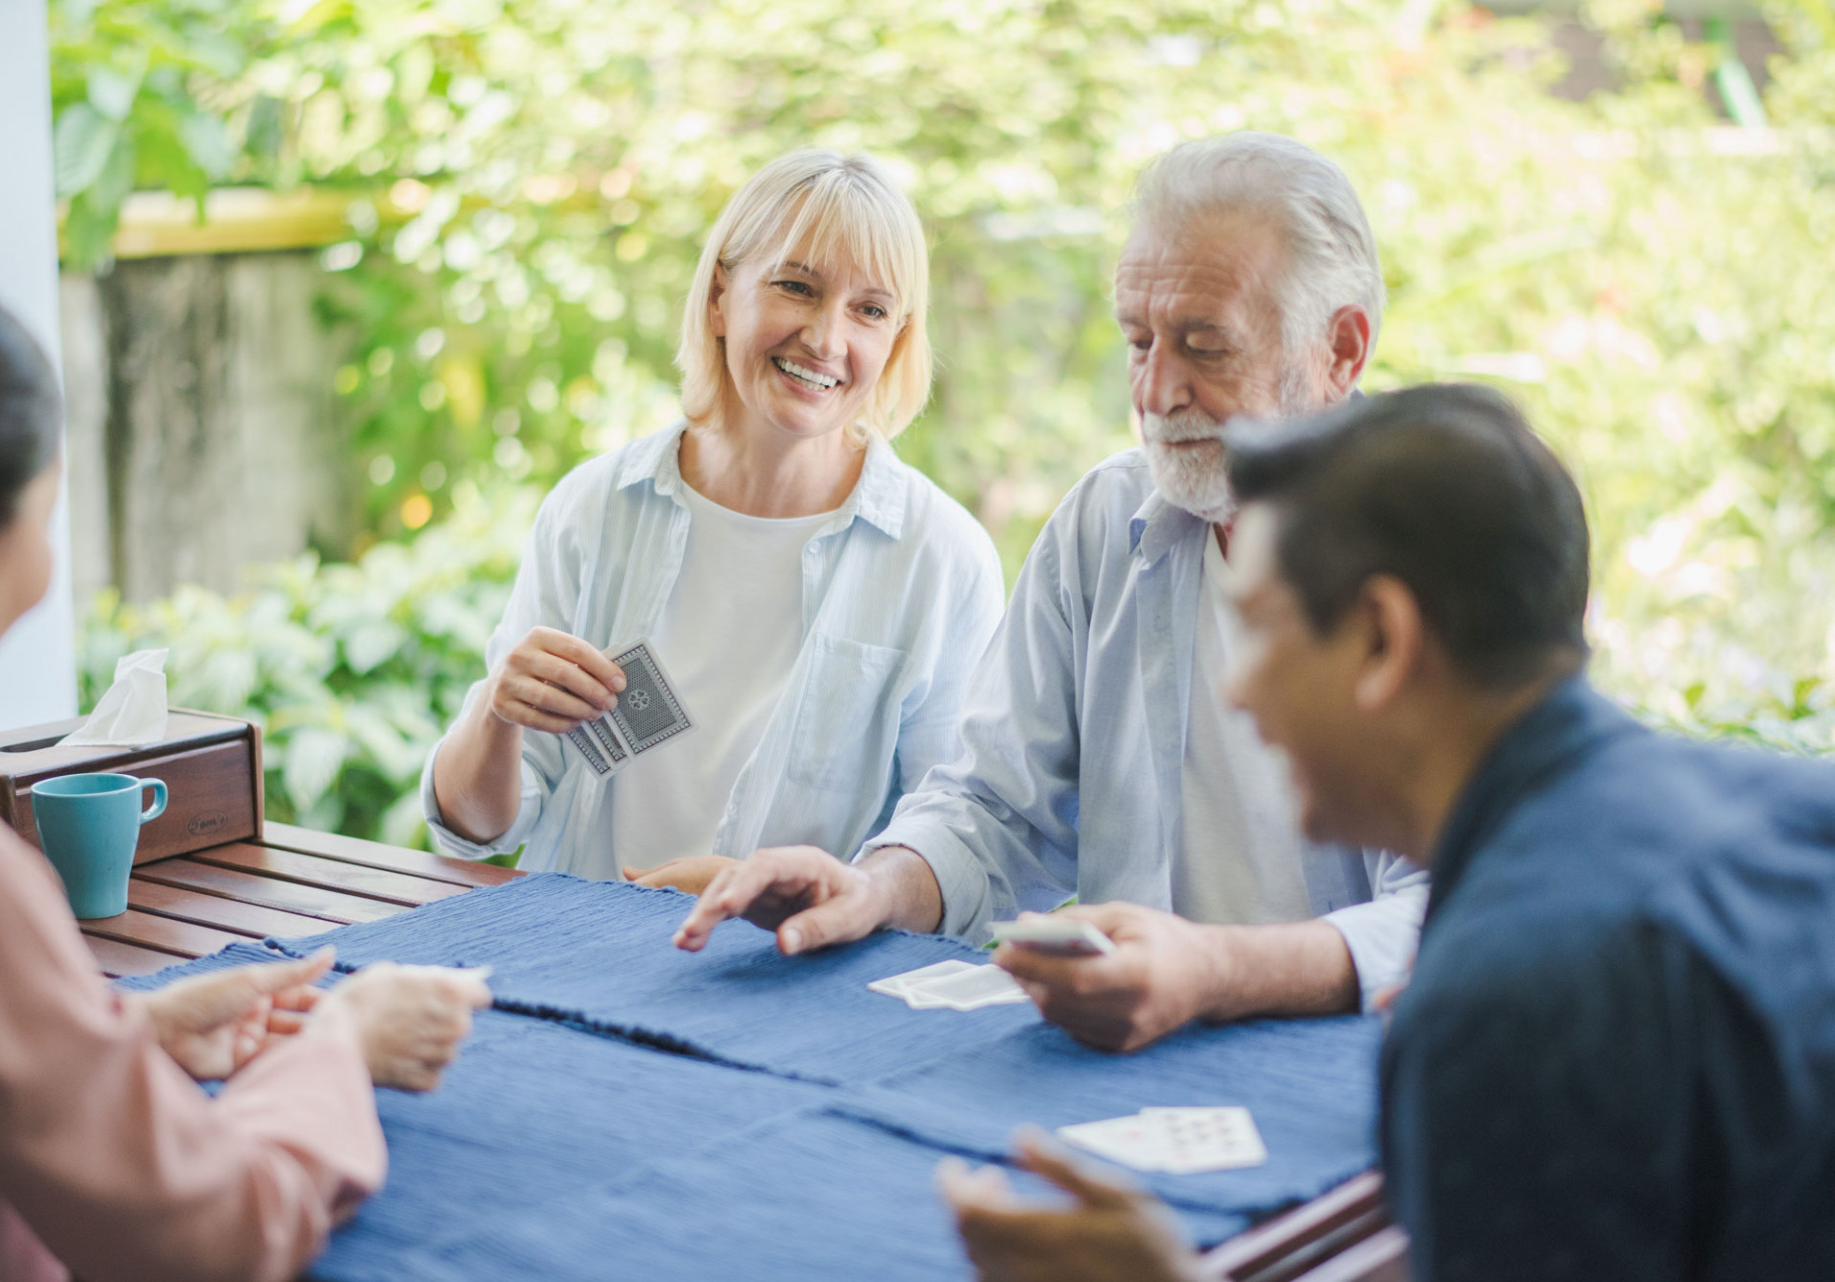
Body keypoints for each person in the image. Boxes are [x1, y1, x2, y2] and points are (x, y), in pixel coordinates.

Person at [941, 384, 1835, 1280]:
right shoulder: (1802, 812)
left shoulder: (1511, 1000)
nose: (1239, 691)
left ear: (1382, 640)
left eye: (1257, 630)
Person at [676, 133, 1425, 1048]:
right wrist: (874, 885)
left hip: (1347, 1075)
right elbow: (994, 810)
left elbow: (1458, 909)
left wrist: (1213, 972)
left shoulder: (1440, 549)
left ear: (1340, 349)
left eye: (1204, 346)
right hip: (1121, 1059)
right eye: (1138, 341)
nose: (1155, 391)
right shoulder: (1109, 523)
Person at [0, 263, 492, 1282]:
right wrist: (337, 1052)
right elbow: (211, 1236)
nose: (43, 571)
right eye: (45, 517)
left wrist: (117, 1033)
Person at [424, 149, 1003, 888]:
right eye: (798, 286)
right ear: (720, 296)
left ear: (896, 339)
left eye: (871, 310)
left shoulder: (941, 557)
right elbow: (478, 828)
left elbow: (959, 846)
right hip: (572, 961)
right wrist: (497, 715)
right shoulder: (595, 508)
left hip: (790, 984)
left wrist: (768, 903)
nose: (828, 340)